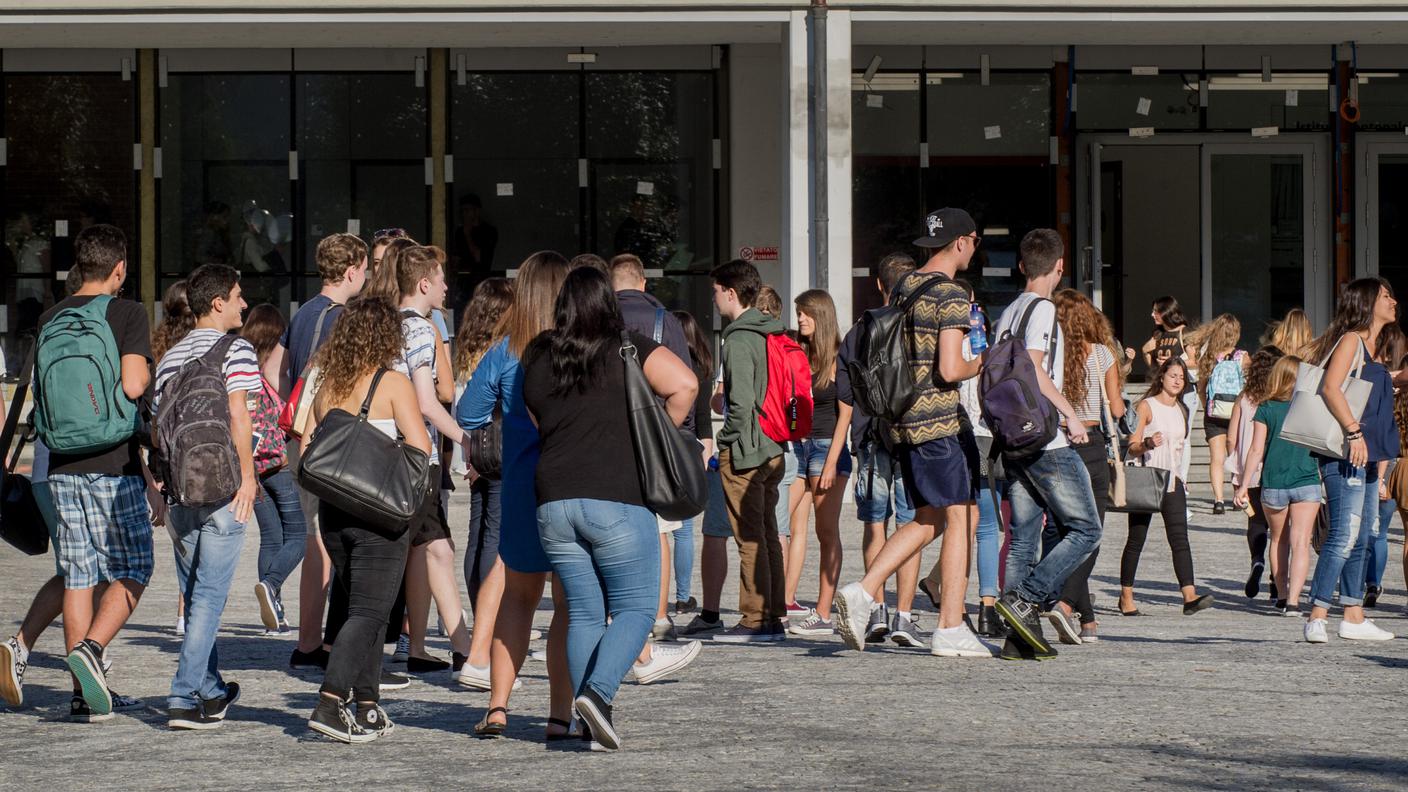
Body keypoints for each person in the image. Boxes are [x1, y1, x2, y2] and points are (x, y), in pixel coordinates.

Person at [522, 266, 703, 750]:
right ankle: (598, 696)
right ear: (608, 302)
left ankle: (586, 719)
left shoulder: (539, 353)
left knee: (583, 613)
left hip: (554, 500)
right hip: (617, 495)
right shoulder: (627, 347)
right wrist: (661, 429)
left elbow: (536, 416)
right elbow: (685, 384)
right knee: (638, 609)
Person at [833, 208, 987, 659]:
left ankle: (863, 592)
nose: (974, 248)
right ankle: (951, 627)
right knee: (958, 517)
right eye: (974, 240)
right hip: (938, 423)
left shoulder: (906, 286)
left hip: (900, 423)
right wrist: (986, 359)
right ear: (960, 242)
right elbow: (950, 367)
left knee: (928, 518)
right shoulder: (952, 294)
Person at [33, 224, 154, 722]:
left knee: (77, 575)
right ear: (120, 269)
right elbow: (131, 386)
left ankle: (84, 694)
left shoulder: (49, 317)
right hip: (113, 462)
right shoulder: (126, 312)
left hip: (60, 461)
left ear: (79, 267)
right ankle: (93, 651)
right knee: (136, 566)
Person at [457, 251, 575, 738]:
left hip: (521, 486)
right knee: (569, 606)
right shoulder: (579, 346)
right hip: (571, 483)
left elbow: (467, 413)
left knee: (518, 600)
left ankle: (498, 706)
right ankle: (558, 716)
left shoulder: (507, 349)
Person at [304, 298, 431, 744]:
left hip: (334, 514)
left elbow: (307, 454)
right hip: (379, 514)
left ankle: (368, 704)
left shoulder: (328, 386)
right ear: (386, 337)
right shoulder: (393, 382)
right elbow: (421, 448)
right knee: (369, 611)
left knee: (365, 609)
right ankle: (329, 701)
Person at [988, 229, 1104, 660]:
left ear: (1021, 266)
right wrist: (1070, 414)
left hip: (1011, 438)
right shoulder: (1041, 310)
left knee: (1022, 540)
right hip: (1044, 440)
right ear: (1060, 266)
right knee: (1087, 528)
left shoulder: (1009, 311)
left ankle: (1017, 637)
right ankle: (1027, 598)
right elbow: (1035, 370)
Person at [152, 263, 258, 730]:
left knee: (196, 596)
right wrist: (249, 478)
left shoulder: (169, 359)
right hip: (224, 489)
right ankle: (180, 697)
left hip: (179, 494)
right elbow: (240, 414)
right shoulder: (237, 350)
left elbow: (155, 432)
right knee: (209, 599)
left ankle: (211, 690)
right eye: (238, 296)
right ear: (217, 303)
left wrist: (158, 491)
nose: (244, 304)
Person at [266, 233, 369, 670]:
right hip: (329, 440)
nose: (365, 277)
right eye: (364, 270)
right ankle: (320, 644)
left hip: (297, 440)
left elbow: (273, 370)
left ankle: (307, 641)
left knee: (314, 539)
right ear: (350, 271)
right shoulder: (344, 317)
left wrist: (292, 418)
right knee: (329, 542)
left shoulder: (304, 312)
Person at [380, 245, 474, 672]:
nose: (446, 286)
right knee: (437, 548)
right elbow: (426, 401)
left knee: (425, 548)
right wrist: (465, 438)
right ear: (423, 284)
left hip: (388, 451)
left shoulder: (384, 326)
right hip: (419, 455)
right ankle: (464, 648)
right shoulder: (419, 330)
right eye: (440, 279)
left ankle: (419, 647)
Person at [1302, 278, 1399, 643]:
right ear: (1367, 301)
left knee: (1365, 533)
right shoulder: (1351, 341)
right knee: (1343, 533)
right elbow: (1330, 386)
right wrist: (1353, 432)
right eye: (1386, 295)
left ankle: (1354, 615)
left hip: (1369, 455)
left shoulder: (1375, 347)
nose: (1393, 301)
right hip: (1345, 452)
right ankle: (1317, 614)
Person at [837, 254, 925, 644]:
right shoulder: (917, 324)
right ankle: (905, 616)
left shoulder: (860, 329)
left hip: (870, 435)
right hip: (909, 434)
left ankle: (875, 608)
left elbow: (844, 391)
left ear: (878, 284)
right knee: (911, 523)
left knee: (875, 522)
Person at [609, 253, 694, 642]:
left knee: (611, 528)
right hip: (654, 437)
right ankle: (658, 615)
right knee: (660, 530)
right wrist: (670, 432)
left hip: (609, 436)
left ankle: (615, 612)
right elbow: (687, 380)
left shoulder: (603, 319)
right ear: (643, 282)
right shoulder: (666, 321)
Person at [706, 260, 791, 643]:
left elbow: (739, 404)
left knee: (749, 537)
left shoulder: (739, 339)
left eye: (716, 291)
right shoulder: (769, 331)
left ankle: (754, 619)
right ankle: (772, 615)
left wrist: (725, 443)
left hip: (747, 450)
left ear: (731, 292)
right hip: (773, 445)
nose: (714, 298)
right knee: (768, 533)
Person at [1048, 288, 1125, 643]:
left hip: (1059, 442)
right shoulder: (1104, 356)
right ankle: (1065, 605)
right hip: (1092, 445)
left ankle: (1089, 621)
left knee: (1066, 532)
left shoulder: (1052, 356)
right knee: (1090, 534)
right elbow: (1117, 408)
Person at [449, 277, 514, 689]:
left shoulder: (467, 346)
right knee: (495, 538)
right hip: (497, 450)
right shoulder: (503, 348)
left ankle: (480, 624)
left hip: (476, 452)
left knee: (479, 533)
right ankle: (488, 637)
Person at [1118, 357, 1215, 617]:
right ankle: (1126, 595)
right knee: (1136, 539)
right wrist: (1148, 443)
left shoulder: (1182, 409)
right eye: (1173, 375)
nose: (1177, 381)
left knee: (1180, 539)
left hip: (1173, 481)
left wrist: (1183, 477)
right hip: (1148, 478)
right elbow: (1132, 446)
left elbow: (1180, 449)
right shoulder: (1147, 406)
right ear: (1162, 377)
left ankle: (1189, 595)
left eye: (1181, 378)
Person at [782, 289, 852, 637]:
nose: (800, 319)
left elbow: (846, 414)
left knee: (826, 532)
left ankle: (824, 612)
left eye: (806, 313)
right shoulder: (799, 353)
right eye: (798, 313)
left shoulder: (840, 357)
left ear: (821, 315)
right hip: (798, 447)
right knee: (778, 521)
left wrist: (832, 462)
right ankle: (776, 603)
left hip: (827, 449)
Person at [1233, 354, 1319, 616]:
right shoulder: (1310, 407)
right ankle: (1294, 601)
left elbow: (1256, 450)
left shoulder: (1266, 408)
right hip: (1306, 480)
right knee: (1301, 542)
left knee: (1279, 540)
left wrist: (1243, 486)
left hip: (1274, 483)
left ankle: (1281, 596)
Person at [240, 304, 305, 634]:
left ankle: (273, 610)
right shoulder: (273, 372)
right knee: (299, 536)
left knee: (270, 536)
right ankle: (271, 585)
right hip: (276, 463)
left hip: (250, 465)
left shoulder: (240, 368)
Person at [1226, 346, 1284, 600]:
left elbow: (1231, 437)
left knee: (1255, 521)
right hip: (1273, 468)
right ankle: (1276, 579)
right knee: (1280, 528)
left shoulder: (1244, 397)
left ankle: (1257, 560)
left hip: (1247, 473)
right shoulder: (1278, 400)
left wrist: (1236, 469)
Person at [673, 309, 715, 614]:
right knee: (684, 529)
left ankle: (657, 596)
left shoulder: (666, 366)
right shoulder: (701, 370)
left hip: (663, 444)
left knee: (660, 529)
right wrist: (705, 457)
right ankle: (683, 595)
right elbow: (704, 422)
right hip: (690, 447)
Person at [1361, 323, 1405, 609]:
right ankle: (1373, 582)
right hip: (1396, 463)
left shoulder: (1376, 385)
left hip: (1382, 465)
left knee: (1371, 529)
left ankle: (1369, 582)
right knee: (1382, 530)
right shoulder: (1393, 386)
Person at [1193, 313, 1248, 514]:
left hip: (1214, 413)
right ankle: (1237, 497)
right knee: (1236, 455)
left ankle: (1218, 500)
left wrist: (1207, 405)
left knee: (1216, 457)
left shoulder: (1208, 357)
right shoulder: (1242, 357)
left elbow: (1201, 387)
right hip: (1237, 413)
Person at [449, 194, 499, 308]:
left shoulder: (488, 231)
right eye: (462, 211)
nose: (464, 214)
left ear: (476, 211)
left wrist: (467, 234)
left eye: (467, 210)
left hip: (481, 281)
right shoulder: (459, 233)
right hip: (463, 284)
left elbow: (479, 258)